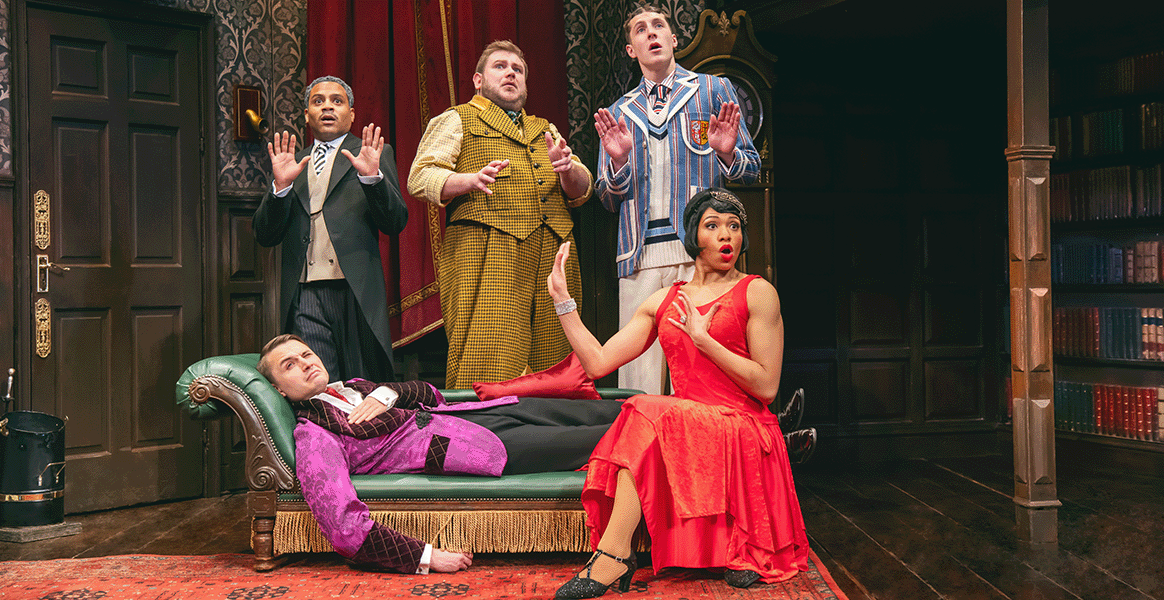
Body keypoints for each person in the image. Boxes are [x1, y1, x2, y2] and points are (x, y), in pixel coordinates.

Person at [547, 188, 808, 598]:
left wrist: (706, 343)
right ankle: (615, 553)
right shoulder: (664, 300)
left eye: (734, 227)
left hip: (741, 425)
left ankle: (614, 557)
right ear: (692, 237)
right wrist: (564, 304)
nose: (727, 236)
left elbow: (767, 387)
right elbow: (598, 363)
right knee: (644, 412)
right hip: (690, 428)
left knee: (644, 408)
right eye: (713, 226)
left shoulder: (757, 292)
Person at [256, 333, 625, 575]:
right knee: (604, 435)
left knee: (612, 410)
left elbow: (433, 396)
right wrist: (426, 556)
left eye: (306, 353)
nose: (305, 362)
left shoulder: (354, 386)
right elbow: (343, 528)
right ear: (278, 389)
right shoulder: (314, 435)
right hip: (478, 449)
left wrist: (388, 394)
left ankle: (682, 409)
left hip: (481, 416)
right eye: (290, 364)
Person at [594, 5, 761, 395]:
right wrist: (618, 162)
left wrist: (726, 153)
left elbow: (750, 170)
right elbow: (605, 196)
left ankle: (699, 453)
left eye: (658, 25)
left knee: (699, 371)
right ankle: (644, 455)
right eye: (640, 29)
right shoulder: (620, 111)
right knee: (639, 378)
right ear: (631, 49)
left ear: (672, 39)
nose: (650, 32)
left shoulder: (712, 90)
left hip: (697, 254)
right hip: (639, 256)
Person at [408, 40, 594, 389]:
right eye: (500, 66)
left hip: (554, 254)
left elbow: (583, 191)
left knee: (557, 361)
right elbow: (420, 177)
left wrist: (567, 170)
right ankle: (487, 436)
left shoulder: (545, 129)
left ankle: (554, 436)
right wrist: (469, 180)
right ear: (478, 80)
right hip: (488, 251)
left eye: (518, 69)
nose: (510, 72)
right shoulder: (457, 118)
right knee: (487, 356)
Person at [253, 75, 408, 384]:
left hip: (355, 291)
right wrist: (280, 188)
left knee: (360, 385)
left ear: (351, 114)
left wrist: (372, 179)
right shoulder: (291, 160)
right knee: (317, 385)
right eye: (318, 101)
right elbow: (265, 234)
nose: (327, 107)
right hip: (305, 292)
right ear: (307, 114)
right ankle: (322, 435)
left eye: (337, 101)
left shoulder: (372, 153)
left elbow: (395, 222)